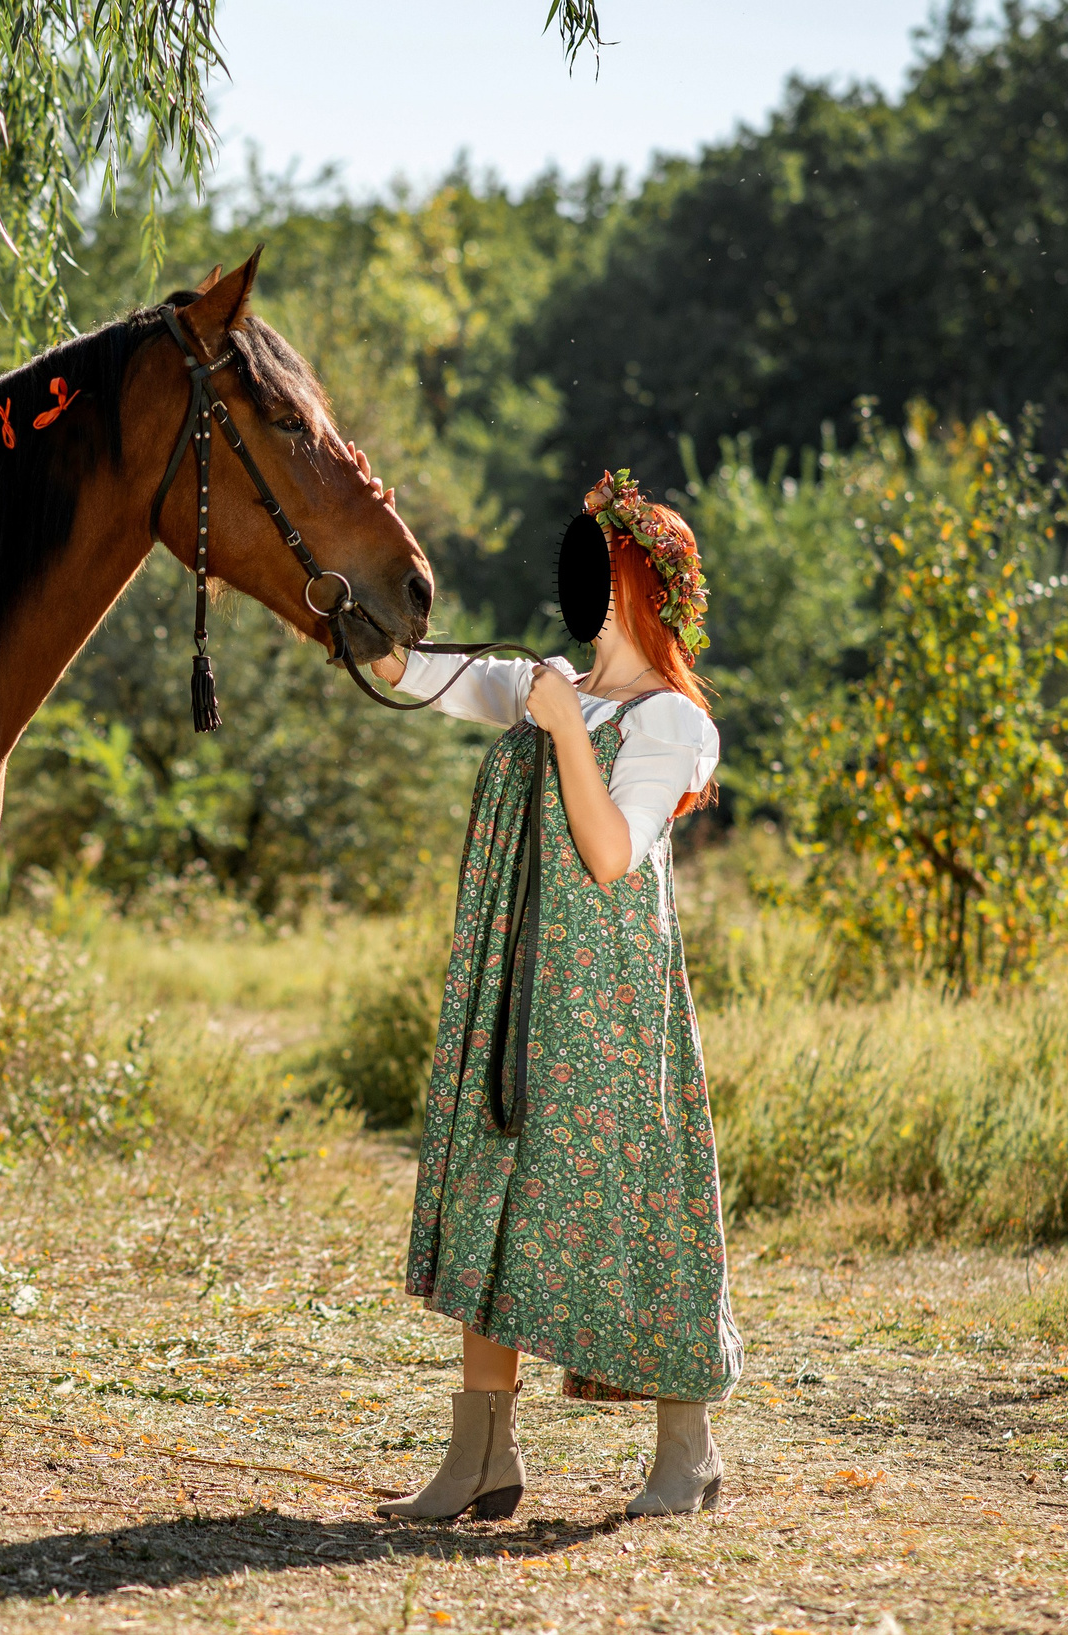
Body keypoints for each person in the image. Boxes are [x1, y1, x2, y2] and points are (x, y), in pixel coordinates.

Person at [363, 465, 741, 1521]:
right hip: (525, 983)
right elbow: (412, 673)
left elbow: (614, 854)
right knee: (496, 1183)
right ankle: (481, 1455)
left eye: (599, 564)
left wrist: (566, 729)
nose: (581, 583)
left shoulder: (669, 723)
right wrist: (330, 587)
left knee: (639, 1201)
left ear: (633, 586)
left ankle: (686, 1450)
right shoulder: (547, 685)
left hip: (610, 1008)